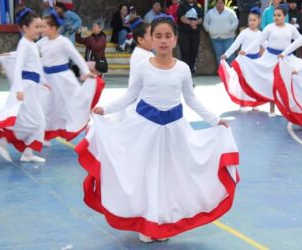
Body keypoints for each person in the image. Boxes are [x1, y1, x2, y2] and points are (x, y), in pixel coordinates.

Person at [75, 16, 239, 243]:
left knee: (169, 176)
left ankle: (162, 221)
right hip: (146, 130)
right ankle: (147, 223)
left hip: (174, 132)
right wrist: (107, 109)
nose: (163, 40)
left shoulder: (182, 68)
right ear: (151, 40)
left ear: (175, 40)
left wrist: (214, 120)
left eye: (168, 36)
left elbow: (191, 99)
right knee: (148, 175)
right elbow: (130, 96)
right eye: (158, 36)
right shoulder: (144, 67)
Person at [0, 8, 48, 162]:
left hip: (31, 87)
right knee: (37, 121)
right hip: (25, 88)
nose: (39, 30)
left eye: (41, 27)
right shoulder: (25, 44)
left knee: (35, 121)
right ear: (26, 28)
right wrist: (20, 90)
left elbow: (33, 64)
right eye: (36, 27)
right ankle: (6, 143)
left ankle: (26, 152)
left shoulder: (30, 44)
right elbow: (19, 66)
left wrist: (43, 82)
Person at [37, 11, 104, 143]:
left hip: (63, 80)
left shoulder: (63, 42)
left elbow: (76, 57)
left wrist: (85, 72)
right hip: (48, 80)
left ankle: (86, 125)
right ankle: (46, 134)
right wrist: (13, 54)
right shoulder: (42, 42)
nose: (42, 29)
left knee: (72, 105)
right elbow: (30, 50)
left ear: (53, 28)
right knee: (47, 106)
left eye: (44, 26)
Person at [237, 5, 302, 117]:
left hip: (286, 59)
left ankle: (289, 108)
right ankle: (272, 109)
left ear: (285, 16)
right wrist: (246, 51)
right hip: (270, 58)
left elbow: (301, 40)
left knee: (289, 82)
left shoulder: (291, 28)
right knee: (272, 82)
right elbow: (258, 41)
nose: (276, 17)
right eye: (274, 15)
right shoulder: (269, 28)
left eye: (279, 15)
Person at [218, 7, 267, 108]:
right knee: (243, 82)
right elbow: (235, 45)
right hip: (244, 61)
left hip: (255, 62)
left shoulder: (261, 35)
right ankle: (243, 104)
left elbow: (267, 47)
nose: (252, 22)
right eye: (250, 20)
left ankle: (254, 103)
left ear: (259, 21)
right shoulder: (244, 33)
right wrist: (226, 54)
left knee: (254, 83)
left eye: (254, 20)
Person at [203, 0, 238, 65]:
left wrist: (230, 29)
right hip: (215, 38)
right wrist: (208, 29)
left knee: (230, 55)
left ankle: (231, 72)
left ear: (224, 3)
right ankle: (222, 73)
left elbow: (235, 22)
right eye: (218, 2)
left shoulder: (230, 12)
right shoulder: (210, 13)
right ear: (215, 4)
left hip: (228, 38)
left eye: (221, 2)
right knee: (219, 56)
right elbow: (205, 22)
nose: (219, 4)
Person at [177, 0, 204, 75]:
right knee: (184, 51)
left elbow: (201, 18)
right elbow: (181, 17)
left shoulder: (198, 7)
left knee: (194, 51)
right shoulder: (182, 6)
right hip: (184, 33)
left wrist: (195, 22)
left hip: (195, 34)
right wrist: (190, 23)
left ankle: (192, 69)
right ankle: (184, 70)